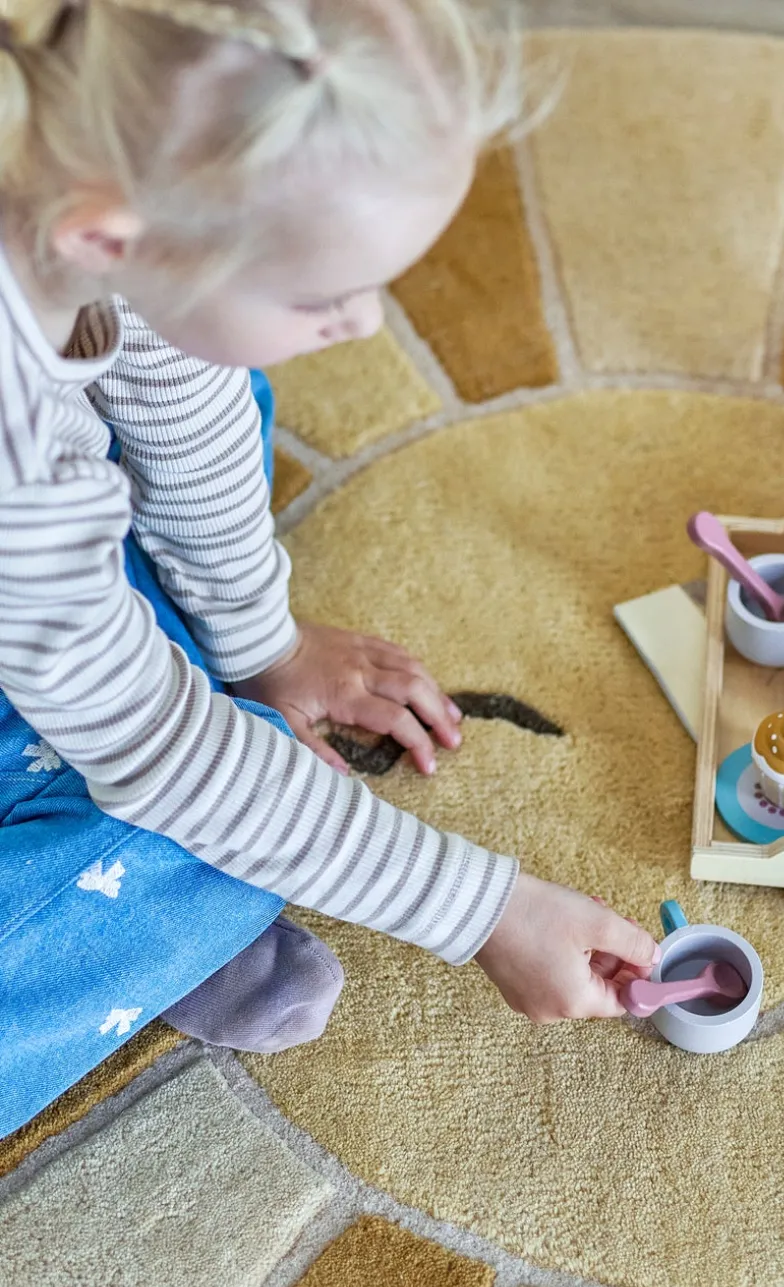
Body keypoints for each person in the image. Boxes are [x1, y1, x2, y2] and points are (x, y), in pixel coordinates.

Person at [0, 0, 658, 1136]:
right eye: (325, 297)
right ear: (105, 238)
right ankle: (133, 929)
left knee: (218, 387)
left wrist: (261, 640)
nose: (363, 327)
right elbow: (157, 747)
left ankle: (165, 886)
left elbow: (177, 387)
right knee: (191, 830)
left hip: (33, 570)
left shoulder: (90, 148)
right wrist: (482, 909)